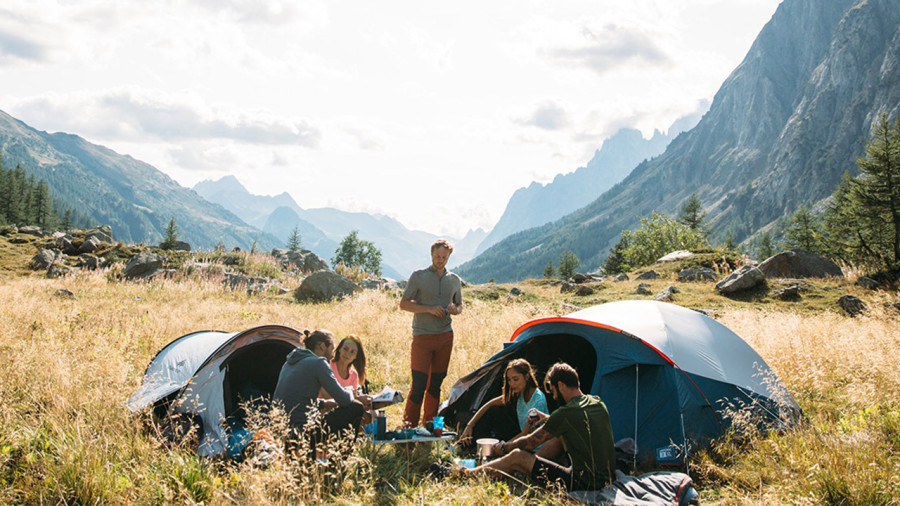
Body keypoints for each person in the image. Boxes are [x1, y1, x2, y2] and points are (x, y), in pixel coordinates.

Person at [451, 362, 616, 492]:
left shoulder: (565, 413)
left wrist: (503, 446)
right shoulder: (597, 402)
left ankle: (465, 474)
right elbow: (576, 420)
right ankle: (521, 470)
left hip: (583, 483)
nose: (553, 395)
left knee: (517, 456)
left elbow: (530, 443)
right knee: (560, 437)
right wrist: (549, 419)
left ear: (561, 385)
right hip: (607, 478)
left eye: (553, 390)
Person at [399, 239, 463, 427]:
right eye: (437, 256)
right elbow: (403, 304)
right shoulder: (418, 276)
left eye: (444, 257)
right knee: (419, 384)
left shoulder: (454, 280)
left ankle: (429, 427)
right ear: (431, 254)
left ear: (449, 257)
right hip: (422, 336)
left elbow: (460, 306)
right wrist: (428, 309)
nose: (440, 260)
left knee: (435, 384)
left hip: (445, 337)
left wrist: (454, 309)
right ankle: (408, 426)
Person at [273, 329, 368, 452]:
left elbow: (297, 400)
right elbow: (345, 400)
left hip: (281, 431)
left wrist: (323, 404)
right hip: (303, 433)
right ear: (322, 346)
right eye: (332, 349)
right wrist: (350, 391)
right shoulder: (318, 363)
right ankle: (337, 459)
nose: (333, 355)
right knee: (356, 407)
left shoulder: (291, 361)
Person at [459, 359, 548, 444]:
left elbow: (527, 434)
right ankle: (470, 441)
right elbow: (490, 404)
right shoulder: (519, 393)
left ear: (527, 377)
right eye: (509, 380)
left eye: (516, 379)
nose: (512, 384)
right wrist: (470, 425)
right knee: (493, 410)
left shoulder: (538, 400)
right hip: (520, 436)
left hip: (533, 443)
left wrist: (504, 447)